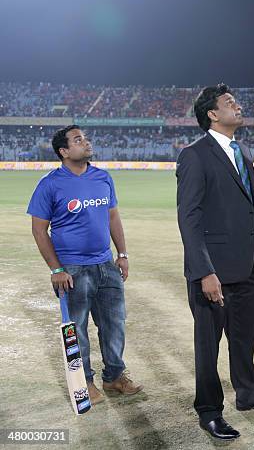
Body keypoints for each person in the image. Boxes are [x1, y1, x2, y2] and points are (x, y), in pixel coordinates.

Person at [176, 84, 254, 441]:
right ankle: (209, 410)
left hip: (246, 266)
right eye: (229, 103)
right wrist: (205, 271)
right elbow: (189, 218)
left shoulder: (241, 151)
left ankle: (248, 392)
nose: (237, 106)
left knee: (243, 337)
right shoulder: (194, 155)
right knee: (208, 346)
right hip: (213, 272)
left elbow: (252, 207)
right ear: (212, 113)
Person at [27, 125, 143, 406]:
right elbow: (39, 230)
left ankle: (114, 376)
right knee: (78, 329)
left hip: (106, 265)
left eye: (85, 138)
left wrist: (123, 254)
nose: (86, 142)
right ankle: (86, 382)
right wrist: (56, 269)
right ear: (64, 152)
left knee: (115, 324)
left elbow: (113, 217)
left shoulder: (102, 177)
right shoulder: (50, 184)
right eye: (78, 140)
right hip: (73, 270)